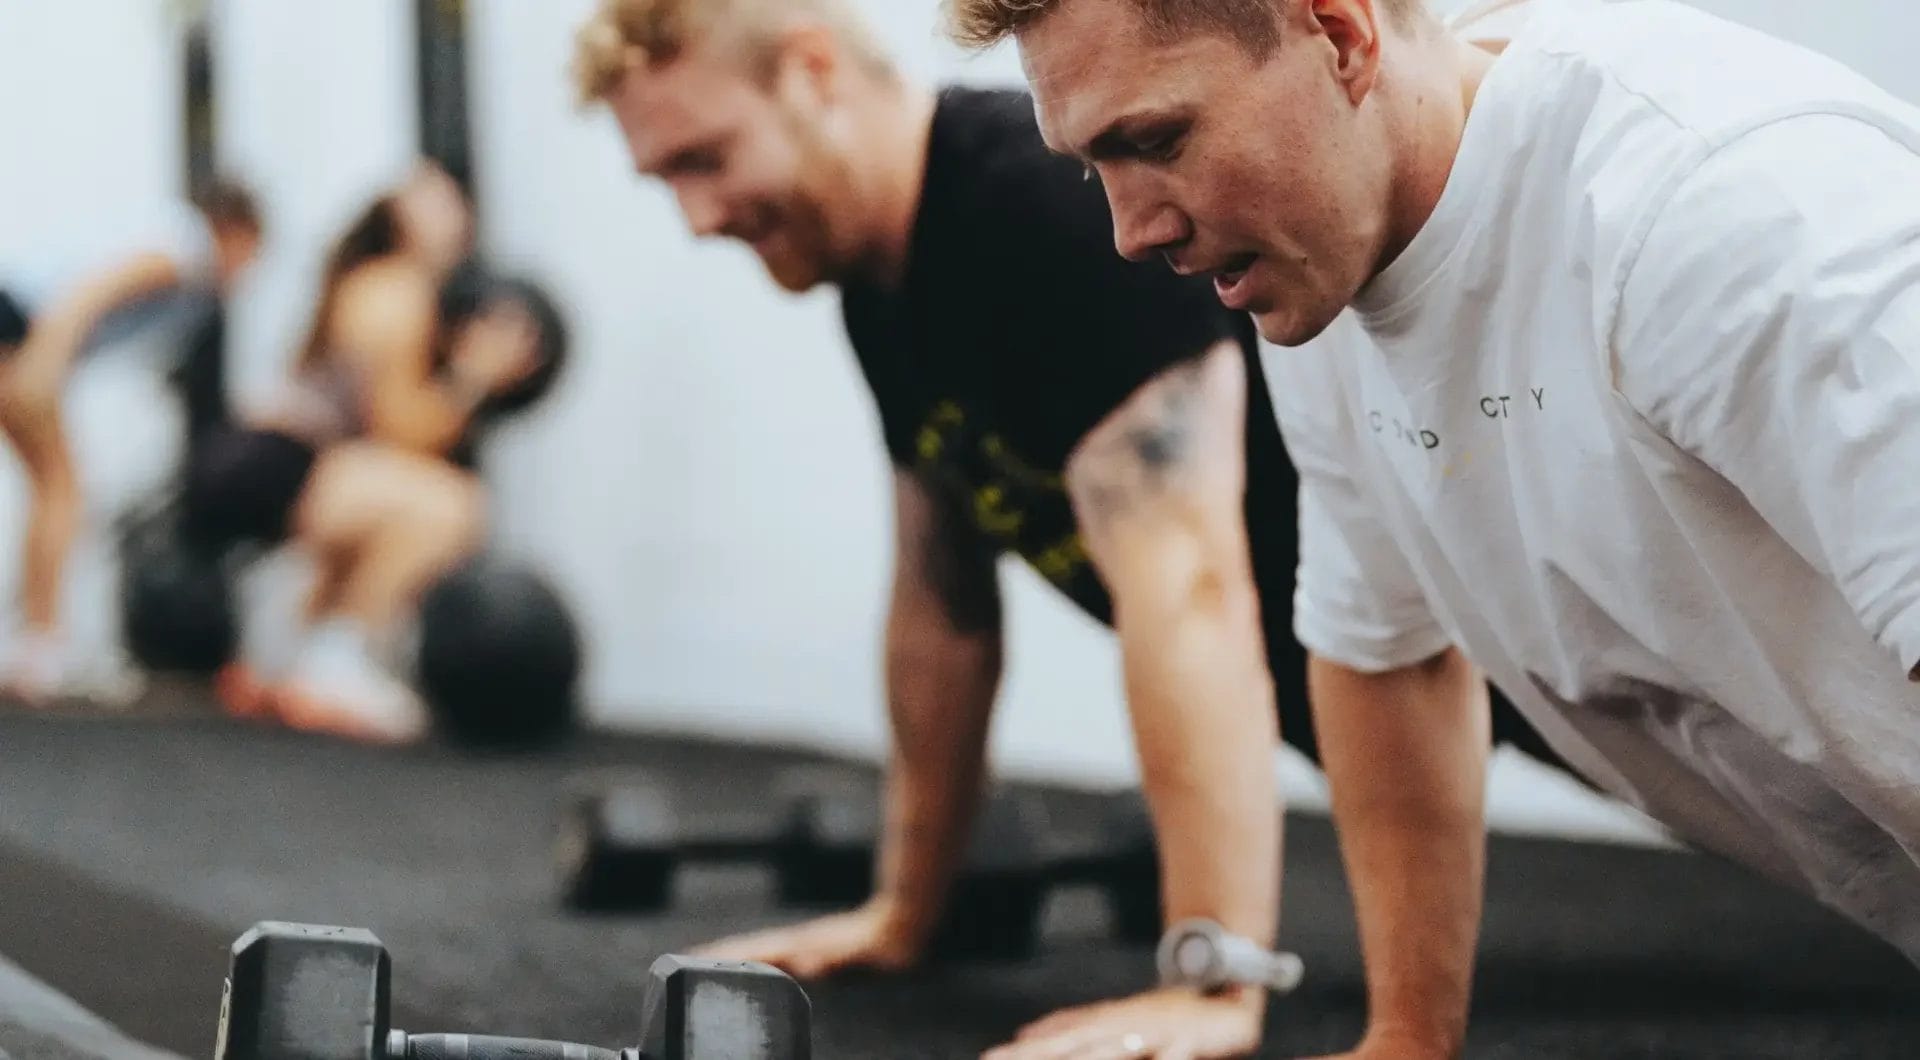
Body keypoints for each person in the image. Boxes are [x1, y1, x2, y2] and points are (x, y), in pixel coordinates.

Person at [571, 2, 1565, 1056]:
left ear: (814, 72)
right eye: (666, 180)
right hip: (1414, 684)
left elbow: (1188, 582)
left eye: (704, 158)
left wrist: (1213, 972)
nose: (696, 216)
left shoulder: (1029, 205)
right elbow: (941, 605)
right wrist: (906, 908)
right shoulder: (887, 287)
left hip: (1521, 646)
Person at [952, 0, 1920, 1056]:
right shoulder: (1323, 271)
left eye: (1158, 140)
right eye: (1097, 167)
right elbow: (1386, 658)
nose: (1132, 232)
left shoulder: (1713, 207)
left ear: (1341, 34)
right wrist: (1407, 1040)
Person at [185, 162, 548, 742]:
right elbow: (400, 432)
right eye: (439, 199)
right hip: (270, 464)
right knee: (449, 505)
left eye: (457, 197)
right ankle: (340, 661)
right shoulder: (395, 288)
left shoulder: (397, 289)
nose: (458, 209)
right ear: (399, 215)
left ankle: (285, 664)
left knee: (391, 504)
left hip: (278, 463)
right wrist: (476, 375)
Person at [0, 180, 262, 701]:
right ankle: (41, 646)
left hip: (23, 326)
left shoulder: (176, 255)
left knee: (52, 485)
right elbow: (96, 290)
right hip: (20, 328)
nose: (248, 272)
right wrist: (46, 357)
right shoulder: (189, 250)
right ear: (235, 233)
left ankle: (36, 642)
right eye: (252, 255)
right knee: (60, 489)